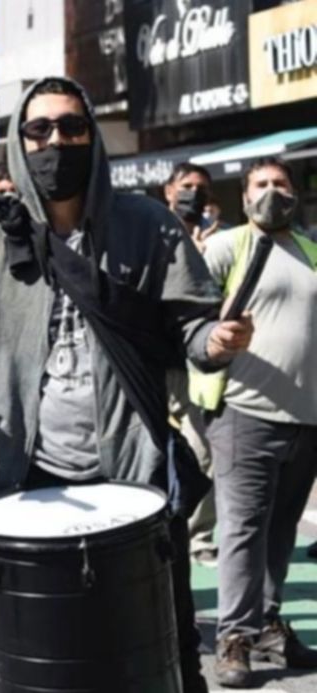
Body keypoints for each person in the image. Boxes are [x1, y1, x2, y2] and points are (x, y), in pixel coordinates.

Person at [0, 76, 252, 693]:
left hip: (134, 474)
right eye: (40, 129)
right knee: (22, 660)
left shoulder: (147, 226)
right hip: (27, 477)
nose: (56, 141)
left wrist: (218, 341)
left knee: (158, 655)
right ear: (20, 143)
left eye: (72, 126)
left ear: (93, 137)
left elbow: (192, 326)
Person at [199, 157, 317, 688]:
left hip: (306, 419)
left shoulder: (311, 251)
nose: (273, 192)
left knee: (280, 531)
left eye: (281, 184)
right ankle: (234, 637)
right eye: (261, 185)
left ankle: (267, 624)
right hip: (244, 411)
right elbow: (192, 321)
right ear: (244, 198)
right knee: (243, 530)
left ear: (295, 193)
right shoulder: (227, 246)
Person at [163, 163, 221, 566]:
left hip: (194, 365)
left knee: (202, 448)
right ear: (168, 190)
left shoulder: (218, 239)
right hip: (150, 359)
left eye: (200, 188)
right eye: (186, 187)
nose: (192, 195)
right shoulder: (149, 229)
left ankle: (196, 536)